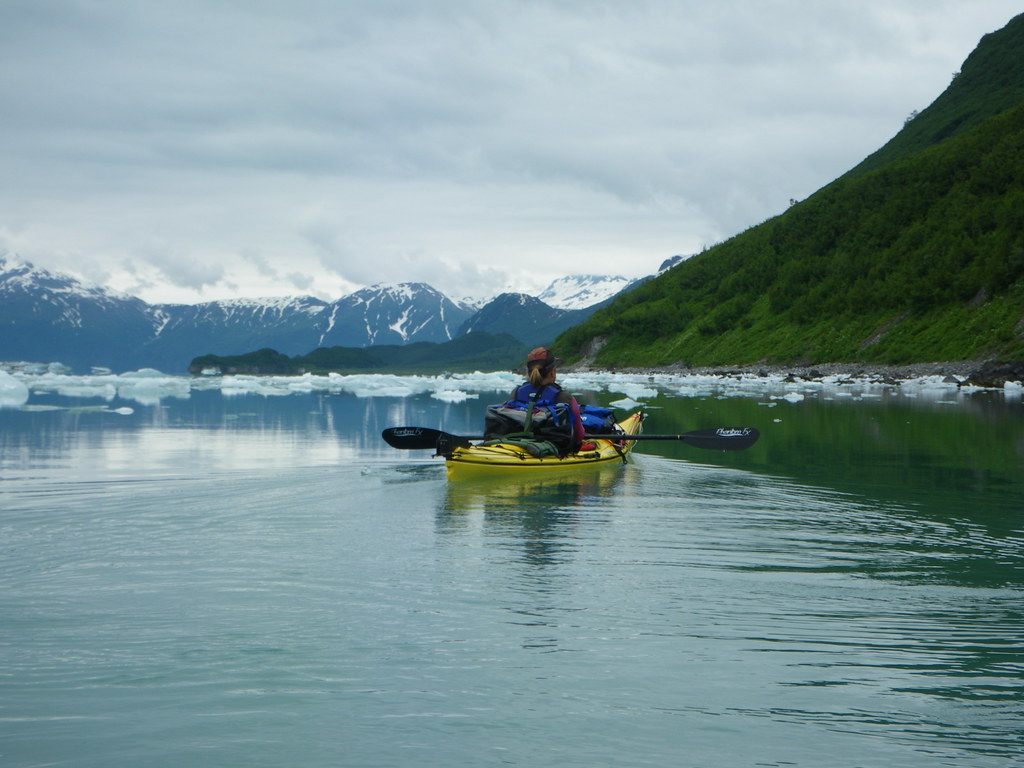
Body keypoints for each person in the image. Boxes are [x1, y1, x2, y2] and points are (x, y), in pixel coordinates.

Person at [507, 347, 585, 449]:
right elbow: (579, 436)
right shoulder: (565, 398)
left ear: (529, 373)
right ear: (552, 372)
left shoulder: (516, 393)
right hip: (550, 451)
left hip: (516, 448)